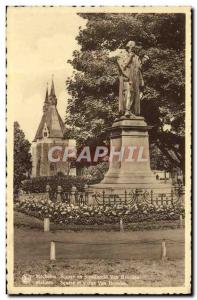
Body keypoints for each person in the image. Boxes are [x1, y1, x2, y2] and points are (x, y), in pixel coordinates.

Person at [117, 41, 148, 117]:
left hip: (135, 79)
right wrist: (130, 57)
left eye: (133, 47)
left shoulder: (136, 57)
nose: (132, 49)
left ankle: (130, 110)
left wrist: (144, 61)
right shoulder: (121, 56)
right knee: (128, 93)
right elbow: (123, 66)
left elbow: (138, 68)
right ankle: (127, 110)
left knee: (133, 95)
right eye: (131, 47)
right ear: (128, 47)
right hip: (126, 78)